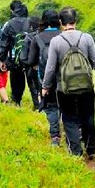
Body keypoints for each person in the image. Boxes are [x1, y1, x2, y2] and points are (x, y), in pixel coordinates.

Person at [42, 7, 95, 157]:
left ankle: (76, 151)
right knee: (88, 116)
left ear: (61, 22)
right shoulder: (87, 38)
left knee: (69, 118)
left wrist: (45, 86)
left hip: (64, 88)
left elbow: (51, 67)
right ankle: (91, 148)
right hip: (86, 86)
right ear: (75, 21)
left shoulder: (56, 41)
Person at [27, 10, 63, 146]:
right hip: (64, 78)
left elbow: (30, 60)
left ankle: (55, 136)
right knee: (66, 105)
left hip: (44, 78)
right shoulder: (63, 35)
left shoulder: (38, 37)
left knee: (51, 106)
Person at [0, 0, 40, 108]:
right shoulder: (30, 22)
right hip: (30, 58)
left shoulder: (9, 24)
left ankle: (17, 103)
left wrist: (2, 59)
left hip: (14, 59)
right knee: (33, 84)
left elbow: (3, 43)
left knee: (16, 84)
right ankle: (37, 105)